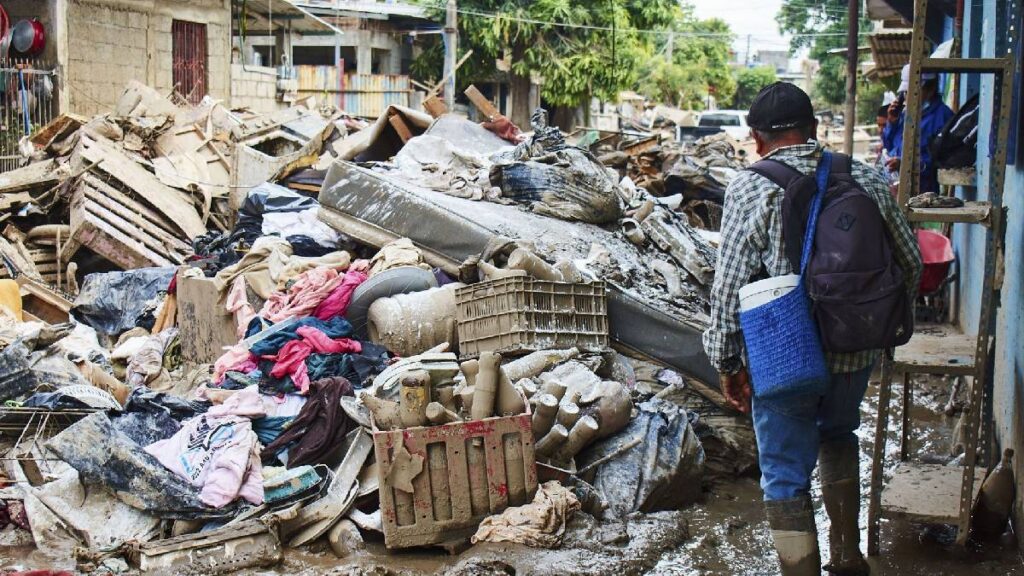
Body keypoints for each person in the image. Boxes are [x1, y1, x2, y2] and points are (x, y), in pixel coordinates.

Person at [703, 82, 922, 576]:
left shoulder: (749, 187)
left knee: (784, 473)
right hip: (854, 347)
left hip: (782, 356)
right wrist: (871, 325)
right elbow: (908, 263)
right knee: (840, 434)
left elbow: (729, 287)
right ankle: (848, 559)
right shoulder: (864, 177)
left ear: (756, 138)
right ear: (815, 131)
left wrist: (727, 363)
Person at [883, 64, 954, 194]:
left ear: (930, 89)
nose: (906, 97)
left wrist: (906, 164)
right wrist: (891, 123)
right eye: (905, 93)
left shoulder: (943, 116)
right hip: (897, 186)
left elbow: (942, 160)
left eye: (912, 92)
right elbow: (889, 145)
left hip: (923, 190)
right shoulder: (905, 114)